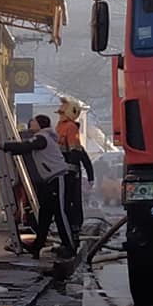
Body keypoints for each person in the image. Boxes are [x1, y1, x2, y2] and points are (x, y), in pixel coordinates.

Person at [0, 115, 76, 258]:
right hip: (48, 181)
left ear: (40, 124)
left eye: (34, 122)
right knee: (44, 214)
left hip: (57, 178)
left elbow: (25, 147)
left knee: (60, 213)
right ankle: (38, 246)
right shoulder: (43, 138)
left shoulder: (42, 137)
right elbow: (25, 146)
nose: (31, 123)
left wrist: (0, 145)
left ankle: (69, 247)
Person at [55, 96, 94, 235]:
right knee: (65, 200)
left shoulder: (70, 127)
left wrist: (70, 170)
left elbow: (77, 152)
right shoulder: (60, 126)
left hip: (69, 172)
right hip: (63, 170)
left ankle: (74, 226)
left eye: (62, 109)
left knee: (71, 199)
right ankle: (69, 226)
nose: (60, 111)